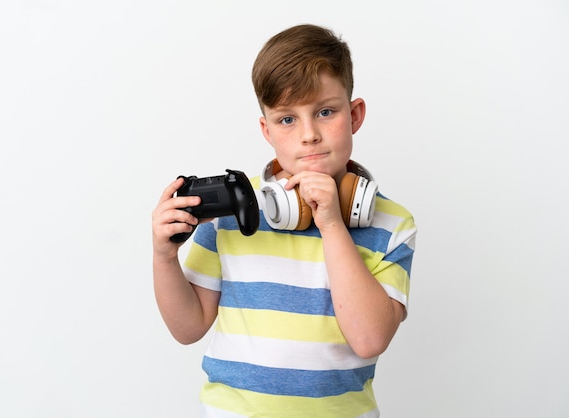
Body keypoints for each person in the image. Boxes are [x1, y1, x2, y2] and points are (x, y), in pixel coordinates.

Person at [152, 23, 417, 417]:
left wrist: (331, 224)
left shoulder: (391, 223)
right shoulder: (234, 210)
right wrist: (164, 257)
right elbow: (188, 329)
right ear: (267, 130)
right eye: (287, 119)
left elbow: (369, 339)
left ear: (355, 114)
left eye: (325, 112)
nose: (309, 134)